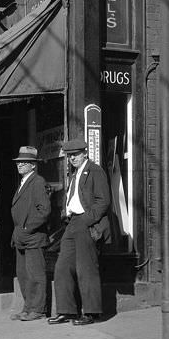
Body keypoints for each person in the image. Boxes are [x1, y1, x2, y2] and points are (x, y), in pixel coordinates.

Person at [48, 138, 112, 326]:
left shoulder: (95, 170)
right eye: (69, 155)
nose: (72, 158)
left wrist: (86, 220)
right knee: (62, 267)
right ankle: (67, 311)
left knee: (86, 268)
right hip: (72, 223)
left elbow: (103, 201)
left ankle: (92, 312)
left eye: (75, 154)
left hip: (85, 221)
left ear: (85, 152)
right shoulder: (75, 173)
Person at [9, 146, 51, 321]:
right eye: (19, 162)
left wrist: (27, 228)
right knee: (23, 274)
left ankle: (38, 309)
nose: (20, 165)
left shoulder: (38, 182)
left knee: (36, 275)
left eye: (25, 162)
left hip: (33, 237)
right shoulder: (23, 182)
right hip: (21, 237)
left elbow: (44, 210)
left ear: (33, 165)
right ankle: (28, 307)